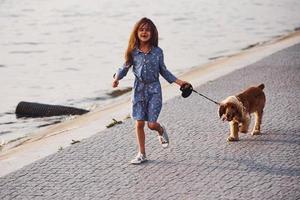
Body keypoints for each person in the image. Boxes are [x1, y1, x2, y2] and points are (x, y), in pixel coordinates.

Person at [112, 17, 189, 164]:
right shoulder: (133, 52)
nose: (144, 32)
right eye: (141, 29)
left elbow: (164, 71)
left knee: (151, 124)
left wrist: (180, 82)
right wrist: (116, 78)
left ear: (153, 33)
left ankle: (160, 130)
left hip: (154, 90)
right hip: (138, 90)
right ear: (136, 33)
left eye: (147, 29)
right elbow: (124, 68)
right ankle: (142, 154)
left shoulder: (158, 52)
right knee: (139, 123)